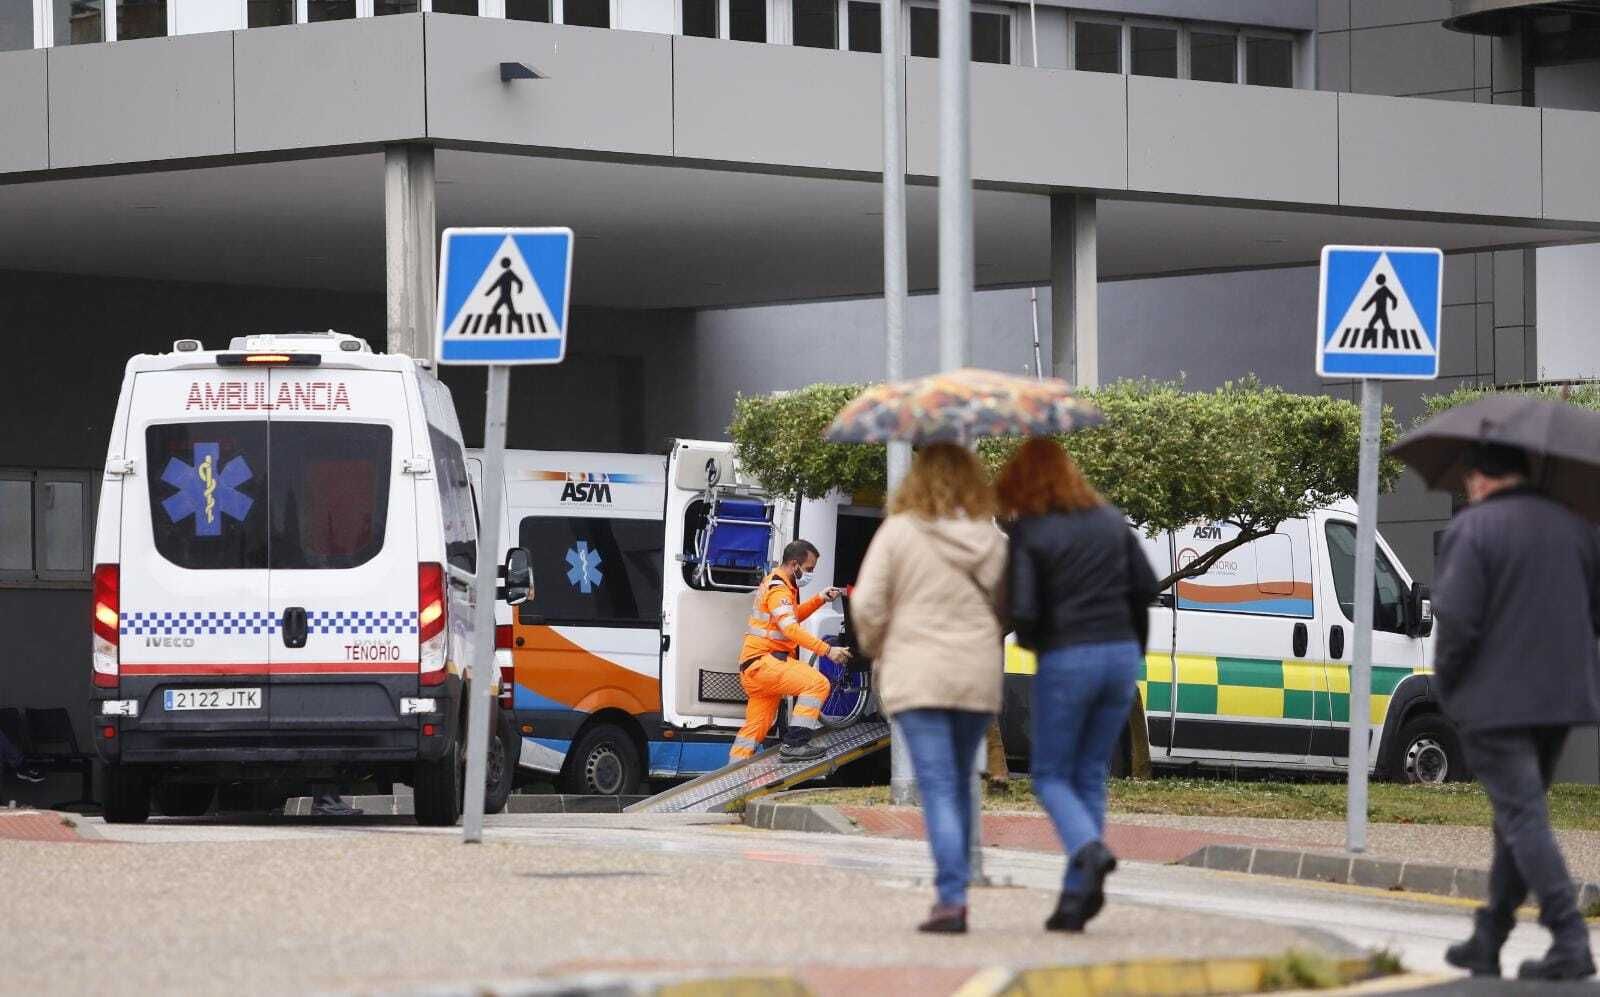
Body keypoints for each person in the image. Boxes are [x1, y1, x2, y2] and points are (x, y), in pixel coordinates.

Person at [1433, 442, 1600, 982]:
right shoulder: (1575, 528)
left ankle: (1570, 938)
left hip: (1495, 699)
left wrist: (1450, 688)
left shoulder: (1473, 529)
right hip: (1558, 700)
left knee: (1523, 815)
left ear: (1482, 478)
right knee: (1517, 815)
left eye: (1467, 479)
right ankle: (1489, 937)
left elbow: (1456, 621)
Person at [998, 438, 1157, 933]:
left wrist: (1038, 639)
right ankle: (1075, 899)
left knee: (1049, 776)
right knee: (1088, 773)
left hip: (1067, 658)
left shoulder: (1031, 529)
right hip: (1120, 659)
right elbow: (1147, 589)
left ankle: (1089, 851)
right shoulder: (1111, 521)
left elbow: (1022, 612)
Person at [851, 443, 1006, 934]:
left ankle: (951, 899)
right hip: (976, 676)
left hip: (917, 674)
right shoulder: (992, 537)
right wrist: (983, 637)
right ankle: (955, 888)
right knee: (959, 782)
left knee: (937, 785)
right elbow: (1011, 605)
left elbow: (868, 606)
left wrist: (881, 648)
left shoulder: (897, 533)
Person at [731, 540, 850, 763]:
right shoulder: (779, 588)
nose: (810, 574)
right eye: (809, 569)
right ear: (794, 564)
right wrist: (827, 650)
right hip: (765, 663)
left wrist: (819, 599)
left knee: (754, 731)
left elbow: (792, 616)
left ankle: (730, 781)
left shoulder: (780, 583)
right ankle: (795, 745)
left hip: (755, 666)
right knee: (817, 684)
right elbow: (791, 628)